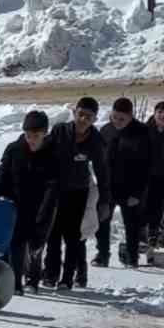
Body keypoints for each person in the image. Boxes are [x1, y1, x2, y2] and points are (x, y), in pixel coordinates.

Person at [44, 97, 111, 291]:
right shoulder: (60, 131)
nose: (83, 119)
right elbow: (43, 153)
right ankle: (50, 274)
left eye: (88, 117)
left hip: (78, 192)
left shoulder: (95, 140)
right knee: (53, 235)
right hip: (56, 190)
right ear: (74, 113)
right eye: (80, 114)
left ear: (94, 119)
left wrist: (104, 201)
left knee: (73, 237)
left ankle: (67, 278)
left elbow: (102, 171)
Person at [0, 109, 59, 294]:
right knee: (16, 242)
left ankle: (32, 279)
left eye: (36, 135)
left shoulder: (52, 154)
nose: (31, 139)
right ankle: (14, 282)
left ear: (45, 133)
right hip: (15, 203)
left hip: (40, 205)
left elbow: (53, 185)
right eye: (28, 135)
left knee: (36, 243)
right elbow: (3, 172)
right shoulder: (14, 149)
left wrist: (46, 209)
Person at [94, 98, 150, 268]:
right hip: (108, 185)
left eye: (122, 119)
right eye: (115, 117)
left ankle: (132, 257)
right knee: (102, 221)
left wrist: (138, 193)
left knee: (132, 224)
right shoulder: (105, 130)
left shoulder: (142, 132)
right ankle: (102, 254)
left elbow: (147, 165)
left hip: (131, 187)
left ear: (131, 116)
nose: (117, 122)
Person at [144, 101, 164, 263]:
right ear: (155, 114)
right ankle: (144, 233)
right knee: (146, 203)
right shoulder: (146, 129)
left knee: (159, 204)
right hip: (147, 174)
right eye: (159, 112)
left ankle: (154, 235)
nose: (162, 116)